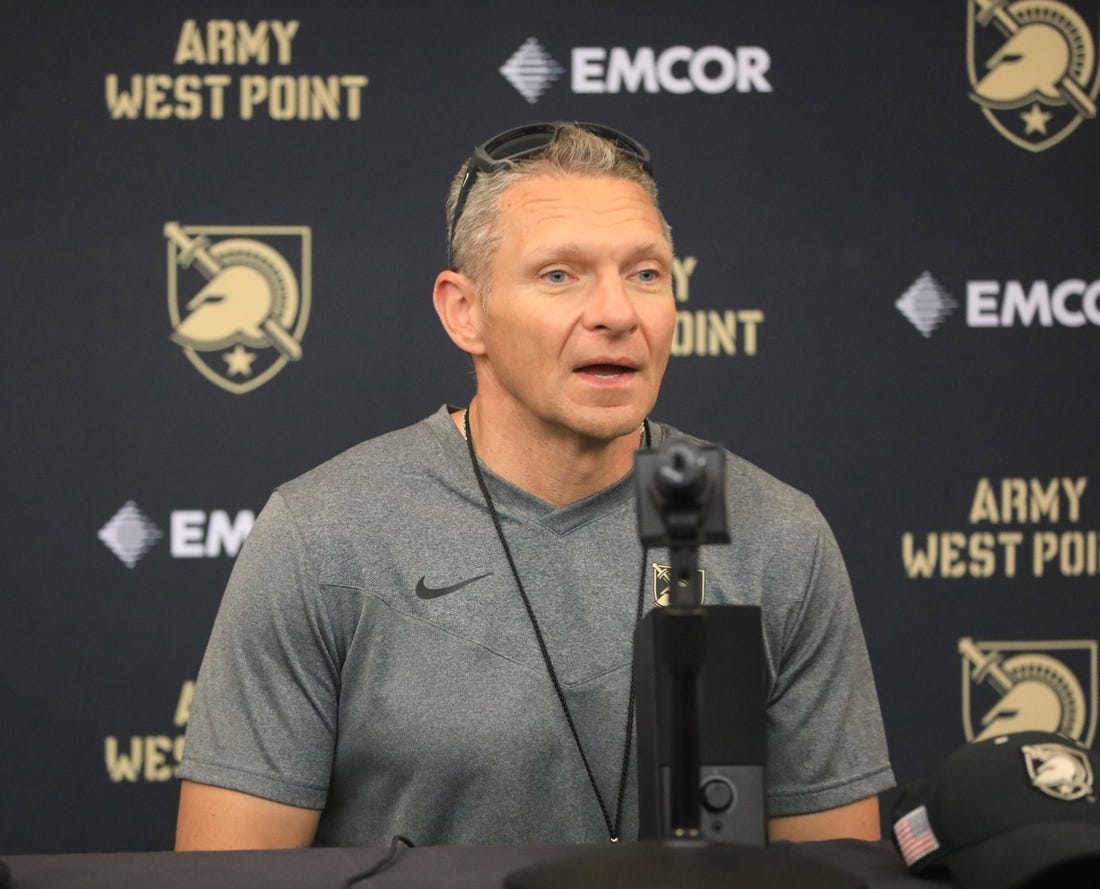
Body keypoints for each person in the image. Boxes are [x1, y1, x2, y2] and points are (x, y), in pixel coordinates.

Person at [175, 121, 894, 850]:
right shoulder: (324, 532)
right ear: (466, 311)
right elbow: (227, 873)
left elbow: (835, 871)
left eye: (646, 273)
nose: (617, 313)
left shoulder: (773, 532)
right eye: (560, 275)